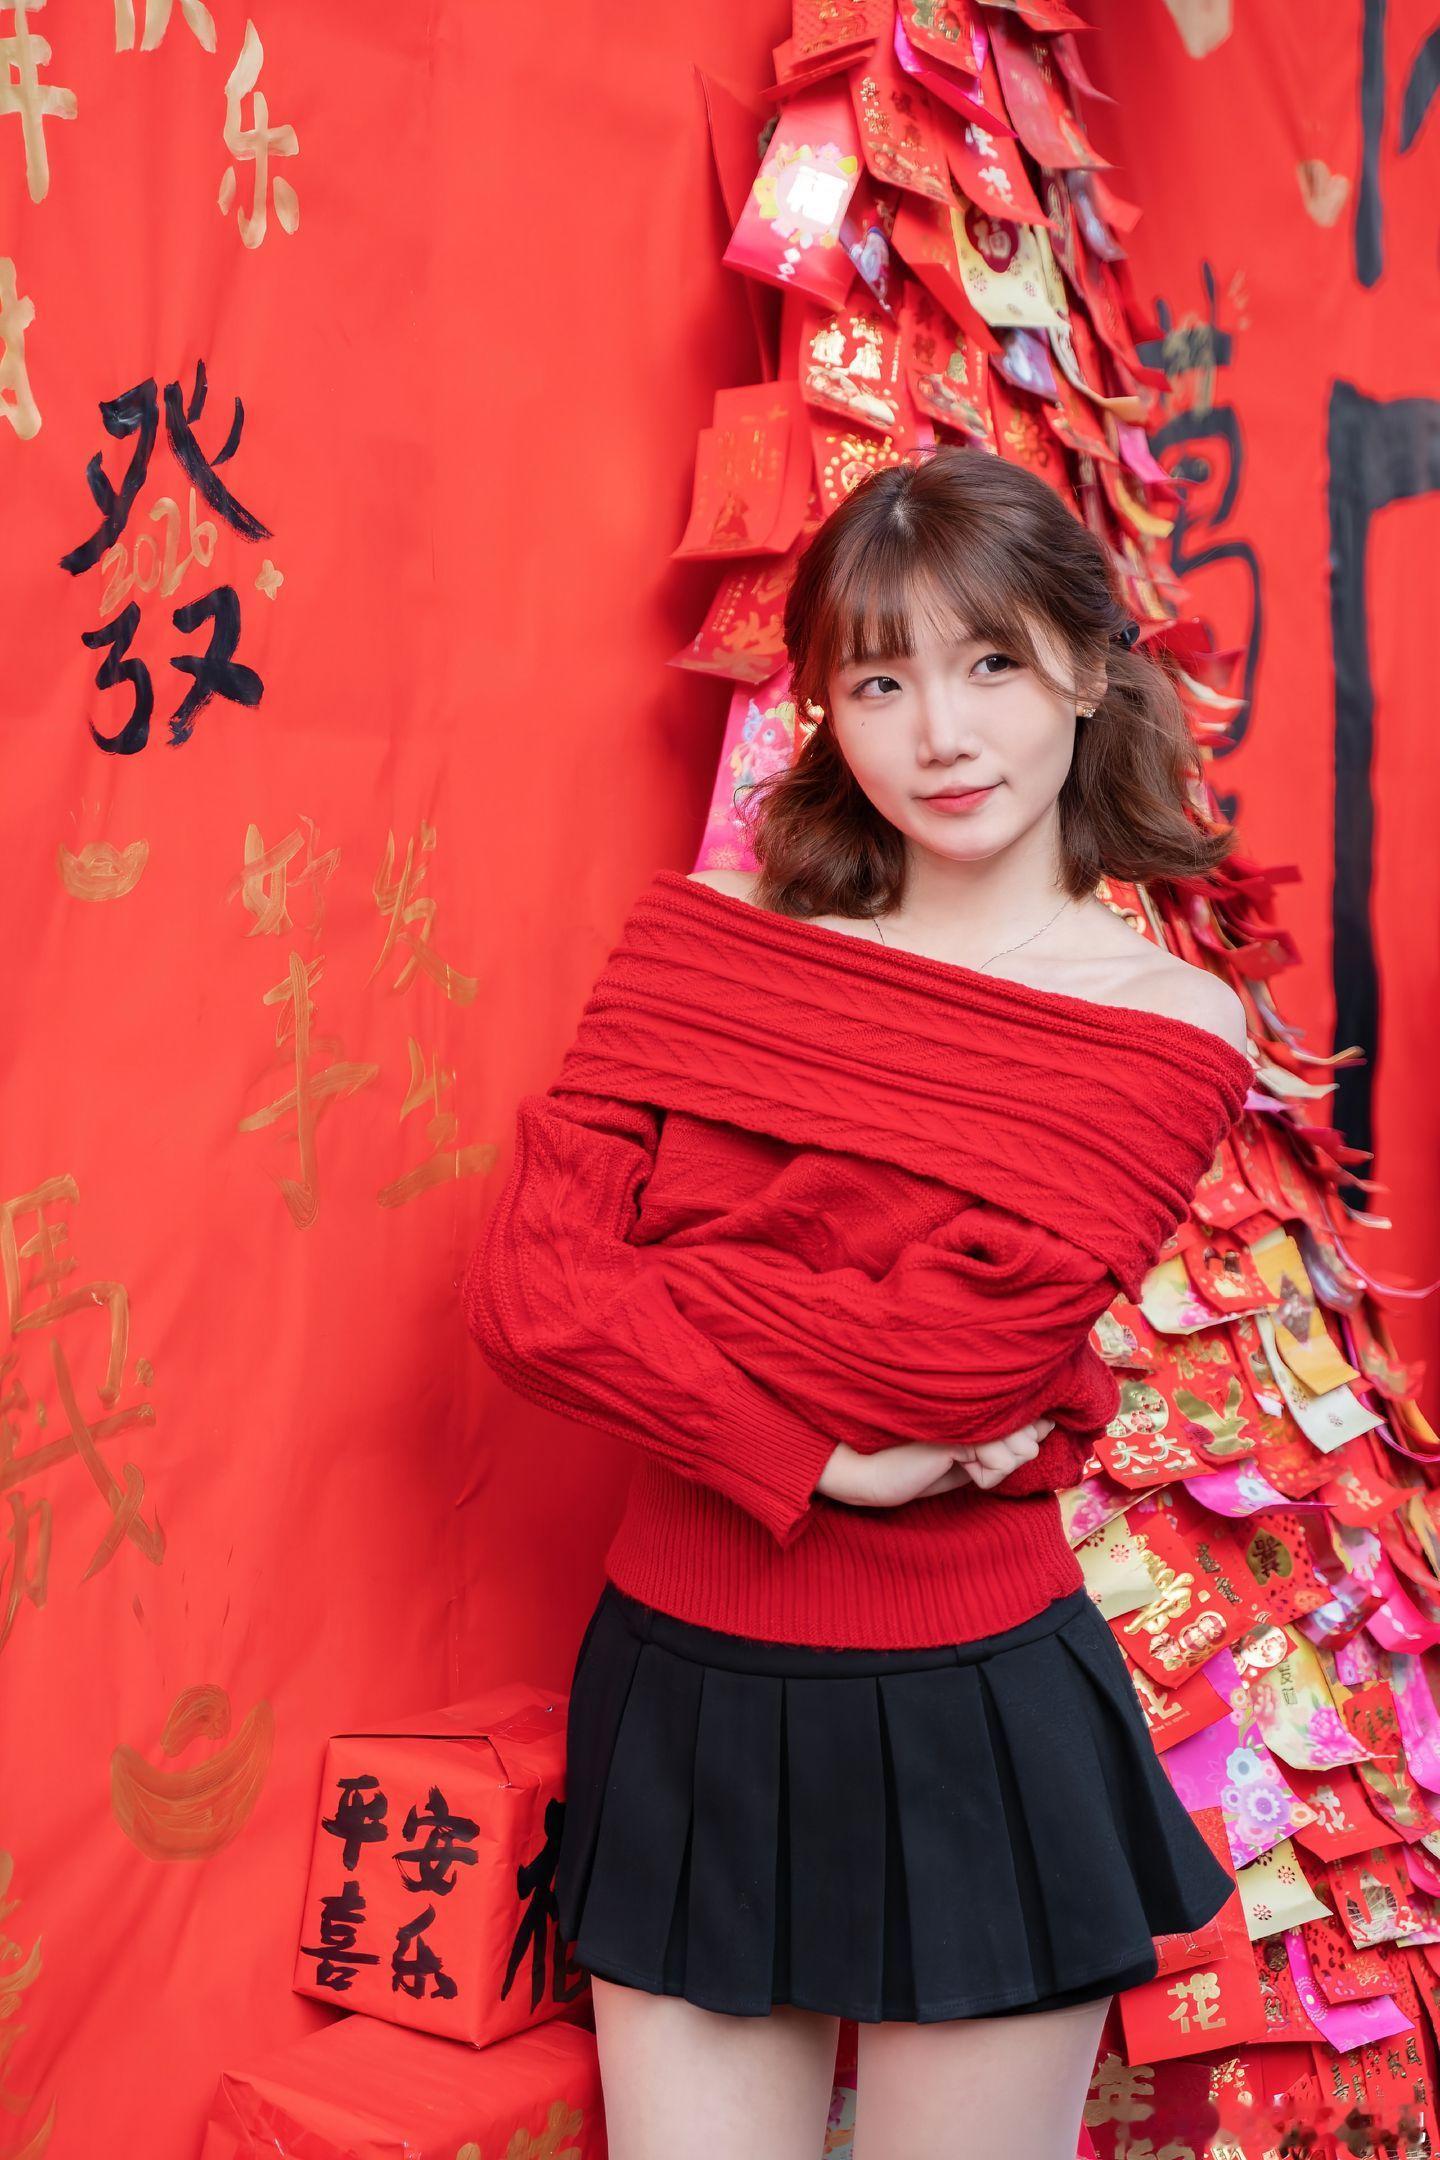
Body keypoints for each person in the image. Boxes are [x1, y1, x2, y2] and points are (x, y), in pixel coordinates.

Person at [462, 446, 1257, 2160]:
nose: (941, 735)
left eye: (991, 664)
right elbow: (528, 1292)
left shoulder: (1164, 1021)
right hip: (679, 1675)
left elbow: (946, 1370)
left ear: (1088, 664)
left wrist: (672, 1288)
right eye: (881, 682)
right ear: (824, 705)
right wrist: (816, 1460)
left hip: (969, 1698)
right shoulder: (707, 938)